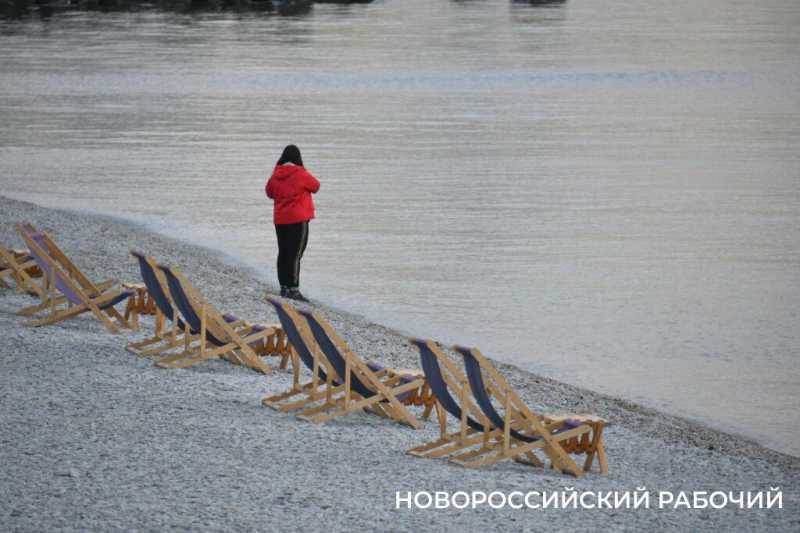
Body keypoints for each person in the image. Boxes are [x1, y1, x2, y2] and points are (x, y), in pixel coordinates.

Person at [265, 144, 320, 302]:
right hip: (298, 219)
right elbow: (316, 187)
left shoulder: (276, 174)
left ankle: (284, 287)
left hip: (281, 219)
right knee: (295, 254)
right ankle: (294, 288)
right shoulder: (301, 173)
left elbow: (269, 192)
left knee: (283, 253)